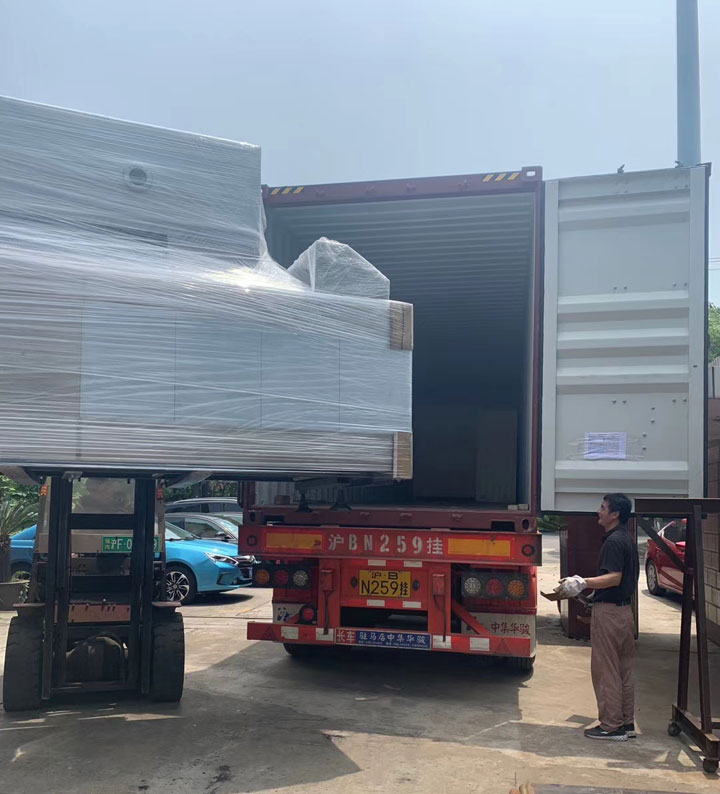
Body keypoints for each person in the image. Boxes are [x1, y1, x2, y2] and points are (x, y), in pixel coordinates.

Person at [556, 493, 639, 741]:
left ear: (615, 514)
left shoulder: (614, 542)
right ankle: (626, 723)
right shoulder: (626, 538)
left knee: (606, 670)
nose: (598, 512)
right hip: (623, 612)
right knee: (623, 669)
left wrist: (582, 582)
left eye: (603, 508)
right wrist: (592, 596)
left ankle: (610, 726)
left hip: (610, 614)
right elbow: (621, 580)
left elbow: (614, 577)